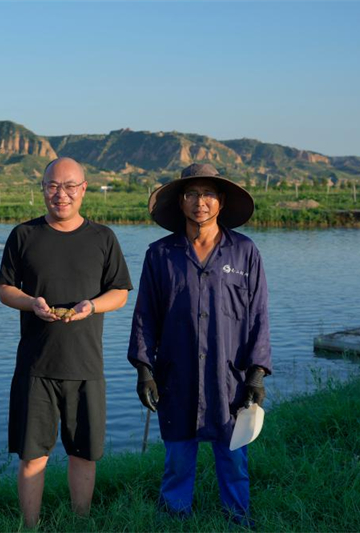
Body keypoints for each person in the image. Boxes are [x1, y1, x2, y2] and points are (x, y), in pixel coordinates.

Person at [127, 163, 271, 526]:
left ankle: (238, 517)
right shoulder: (160, 255)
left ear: (221, 201)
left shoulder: (244, 253)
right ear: (180, 202)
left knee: (234, 456)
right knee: (177, 456)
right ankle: (175, 515)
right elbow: (145, 315)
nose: (199, 202)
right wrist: (145, 370)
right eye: (191, 194)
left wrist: (256, 374)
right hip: (176, 372)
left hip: (231, 375)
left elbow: (258, 316)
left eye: (208, 194)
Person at [0, 157, 133, 527]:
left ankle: (81, 522)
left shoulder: (103, 237)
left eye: (70, 186)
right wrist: (31, 302)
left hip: (86, 365)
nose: (62, 194)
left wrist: (91, 306)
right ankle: (30, 526)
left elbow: (120, 292)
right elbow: (5, 290)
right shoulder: (23, 235)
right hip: (35, 366)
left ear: (83, 189)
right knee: (32, 456)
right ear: (42, 189)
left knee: (84, 454)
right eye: (53, 186)